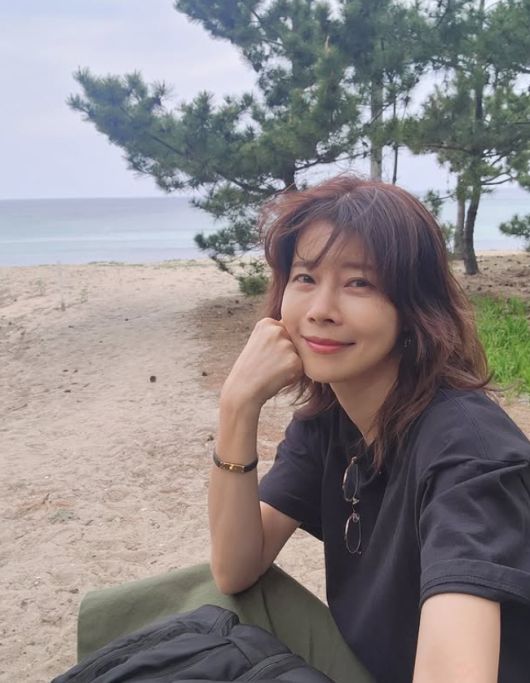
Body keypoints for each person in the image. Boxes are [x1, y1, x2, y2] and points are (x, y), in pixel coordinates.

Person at [76, 175, 530, 683]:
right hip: (369, 663)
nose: (320, 311)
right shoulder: (332, 418)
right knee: (201, 596)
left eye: (359, 283)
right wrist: (237, 406)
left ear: (413, 308)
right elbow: (235, 568)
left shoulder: (469, 453)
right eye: (306, 277)